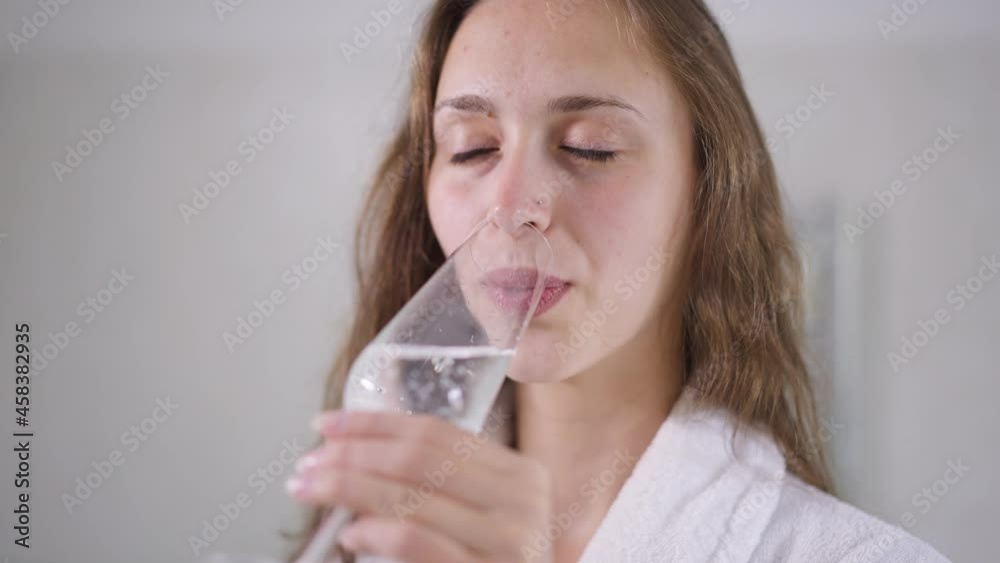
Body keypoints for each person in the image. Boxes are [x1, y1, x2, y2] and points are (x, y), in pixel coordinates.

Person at [284, 1, 952, 561]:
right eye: (473, 148)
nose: (512, 206)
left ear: (707, 190)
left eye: (589, 145)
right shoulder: (374, 537)